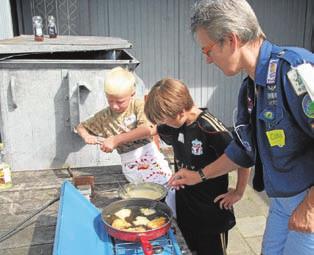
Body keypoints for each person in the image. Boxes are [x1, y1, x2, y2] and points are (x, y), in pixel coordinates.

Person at [168, 1, 314, 255]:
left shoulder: (295, 70)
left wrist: (311, 206)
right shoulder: (250, 89)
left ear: (231, 40)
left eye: (208, 50)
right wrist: (199, 175)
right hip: (281, 200)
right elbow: (243, 150)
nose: (207, 60)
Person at [144, 78, 250, 255]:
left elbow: (244, 158)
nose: (164, 125)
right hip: (186, 210)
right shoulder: (175, 124)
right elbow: (153, 129)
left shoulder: (211, 128)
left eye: (165, 120)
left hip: (211, 214)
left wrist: (239, 191)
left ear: (181, 111)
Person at [76, 67, 175, 211]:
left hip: (149, 155)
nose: (114, 106)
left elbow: (150, 129)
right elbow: (80, 127)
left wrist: (116, 140)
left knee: (167, 188)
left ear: (132, 94)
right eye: (110, 101)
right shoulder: (104, 117)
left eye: (120, 101)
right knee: (140, 195)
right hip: (128, 162)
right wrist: (86, 136)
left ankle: (173, 216)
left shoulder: (139, 106)